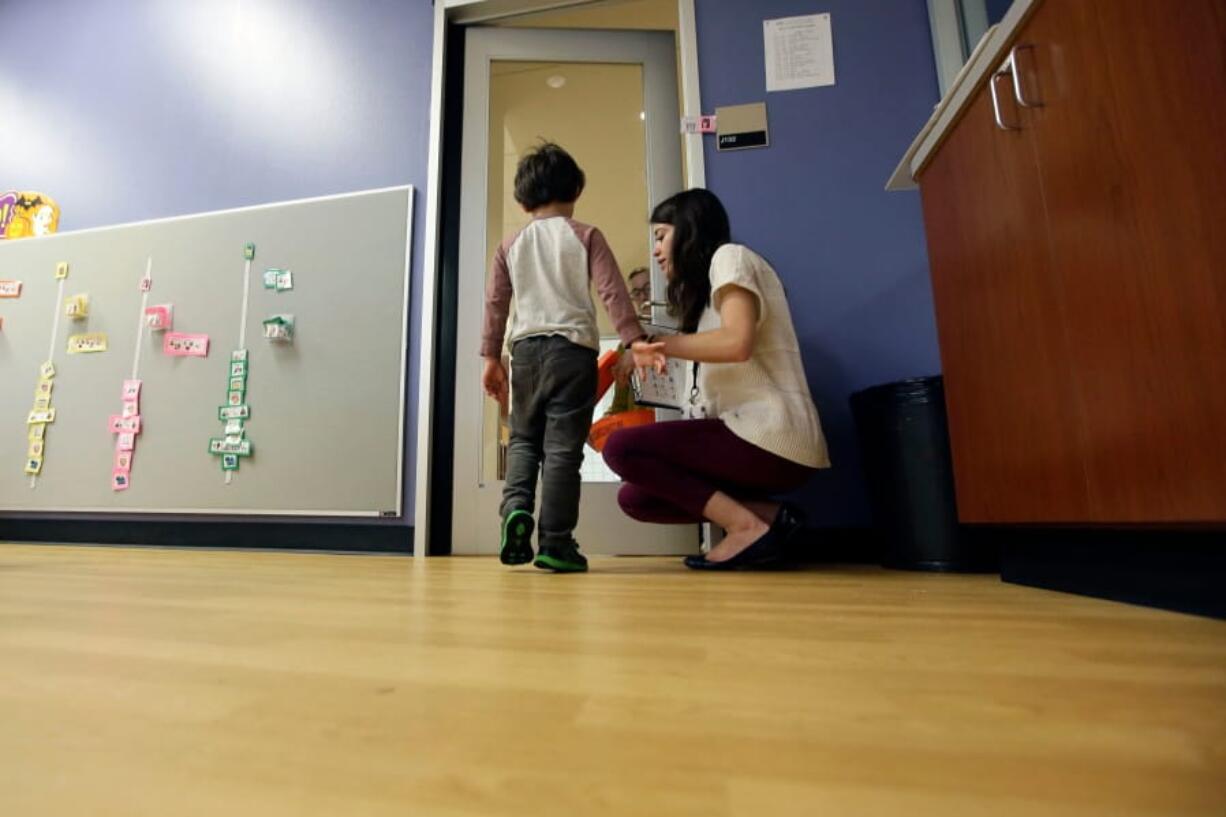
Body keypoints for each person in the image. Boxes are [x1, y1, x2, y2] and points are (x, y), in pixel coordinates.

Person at [602, 189, 830, 570]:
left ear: (689, 229)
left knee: (621, 447)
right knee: (636, 499)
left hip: (772, 434)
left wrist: (661, 344)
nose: (656, 250)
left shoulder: (730, 257)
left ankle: (744, 527)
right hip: (743, 436)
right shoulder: (703, 301)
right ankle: (772, 518)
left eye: (661, 236)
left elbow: (737, 343)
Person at [481, 142, 646, 573]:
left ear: (522, 200)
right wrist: (633, 339)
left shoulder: (510, 245)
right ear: (575, 191)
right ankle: (555, 542)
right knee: (561, 451)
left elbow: (496, 304)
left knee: (522, 440)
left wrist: (490, 358)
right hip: (572, 353)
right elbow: (612, 291)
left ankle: (515, 508)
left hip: (525, 353)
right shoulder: (585, 235)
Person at [605, 266, 651, 415]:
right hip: (636, 427)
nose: (643, 297)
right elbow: (619, 404)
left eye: (648, 289)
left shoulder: (675, 335)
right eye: (637, 293)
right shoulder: (625, 347)